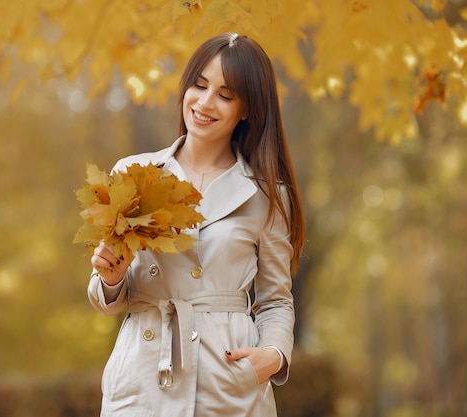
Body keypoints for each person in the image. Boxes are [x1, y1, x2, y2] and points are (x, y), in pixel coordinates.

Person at [87, 32, 305, 417]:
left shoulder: (266, 194)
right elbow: (107, 299)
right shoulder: (134, 174)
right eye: (199, 85)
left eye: (225, 94)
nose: (204, 103)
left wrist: (272, 355)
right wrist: (111, 278)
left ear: (248, 109)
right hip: (142, 375)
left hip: (226, 379)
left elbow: (275, 300)